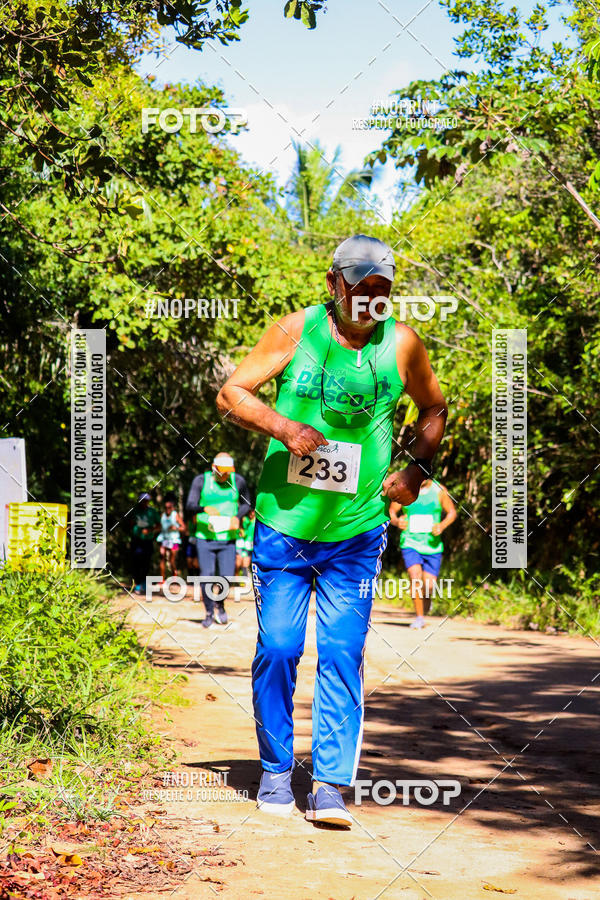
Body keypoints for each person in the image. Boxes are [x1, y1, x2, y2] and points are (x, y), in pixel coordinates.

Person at [216, 233, 447, 826]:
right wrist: (282, 426)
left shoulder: (403, 345)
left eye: (382, 292)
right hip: (283, 526)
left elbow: (433, 411)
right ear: (333, 284)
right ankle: (273, 770)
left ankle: (330, 784)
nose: (372, 303)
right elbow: (231, 392)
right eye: (361, 291)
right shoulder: (295, 331)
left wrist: (416, 471)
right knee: (279, 649)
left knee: (342, 652)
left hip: (357, 530)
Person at [186, 453, 252, 627]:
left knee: (226, 575)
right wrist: (204, 508)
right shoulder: (201, 481)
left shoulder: (237, 481)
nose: (225, 476)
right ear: (214, 468)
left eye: (228, 472)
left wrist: (237, 516)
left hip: (228, 538)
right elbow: (189, 505)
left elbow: (247, 504)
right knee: (206, 576)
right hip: (205, 537)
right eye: (222, 472)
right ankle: (208, 612)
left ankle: (220, 605)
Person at [389, 479, 457, 629]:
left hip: (433, 546)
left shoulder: (439, 490)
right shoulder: (405, 488)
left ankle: (426, 602)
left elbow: (452, 512)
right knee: (415, 576)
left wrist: (442, 525)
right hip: (410, 542)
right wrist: (396, 521)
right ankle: (419, 618)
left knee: (428, 586)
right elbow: (392, 511)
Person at [131, 492, 161, 595]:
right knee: (136, 561)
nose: (144, 502)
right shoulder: (134, 511)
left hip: (147, 541)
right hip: (136, 540)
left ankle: (143, 584)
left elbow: (159, 525)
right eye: (142, 500)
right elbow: (129, 523)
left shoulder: (152, 512)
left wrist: (150, 530)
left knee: (146, 562)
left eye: (146, 500)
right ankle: (137, 583)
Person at [157, 492, 186, 585]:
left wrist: (176, 528)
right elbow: (159, 526)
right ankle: (162, 579)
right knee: (162, 556)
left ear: (172, 506)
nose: (168, 509)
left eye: (170, 507)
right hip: (164, 539)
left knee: (171, 559)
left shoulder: (175, 515)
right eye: (166, 507)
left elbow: (184, 528)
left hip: (174, 541)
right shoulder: (162, 515)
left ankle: (175, 576)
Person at [235, 509, 256, 578]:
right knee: (238, 561)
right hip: (240, 543)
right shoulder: (244, 519)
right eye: (250, 511)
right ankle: (236, 578)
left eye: (253, 512)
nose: (252, 513)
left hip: (249, 544)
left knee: (246, 563)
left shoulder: (255, 521)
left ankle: (244, 578)